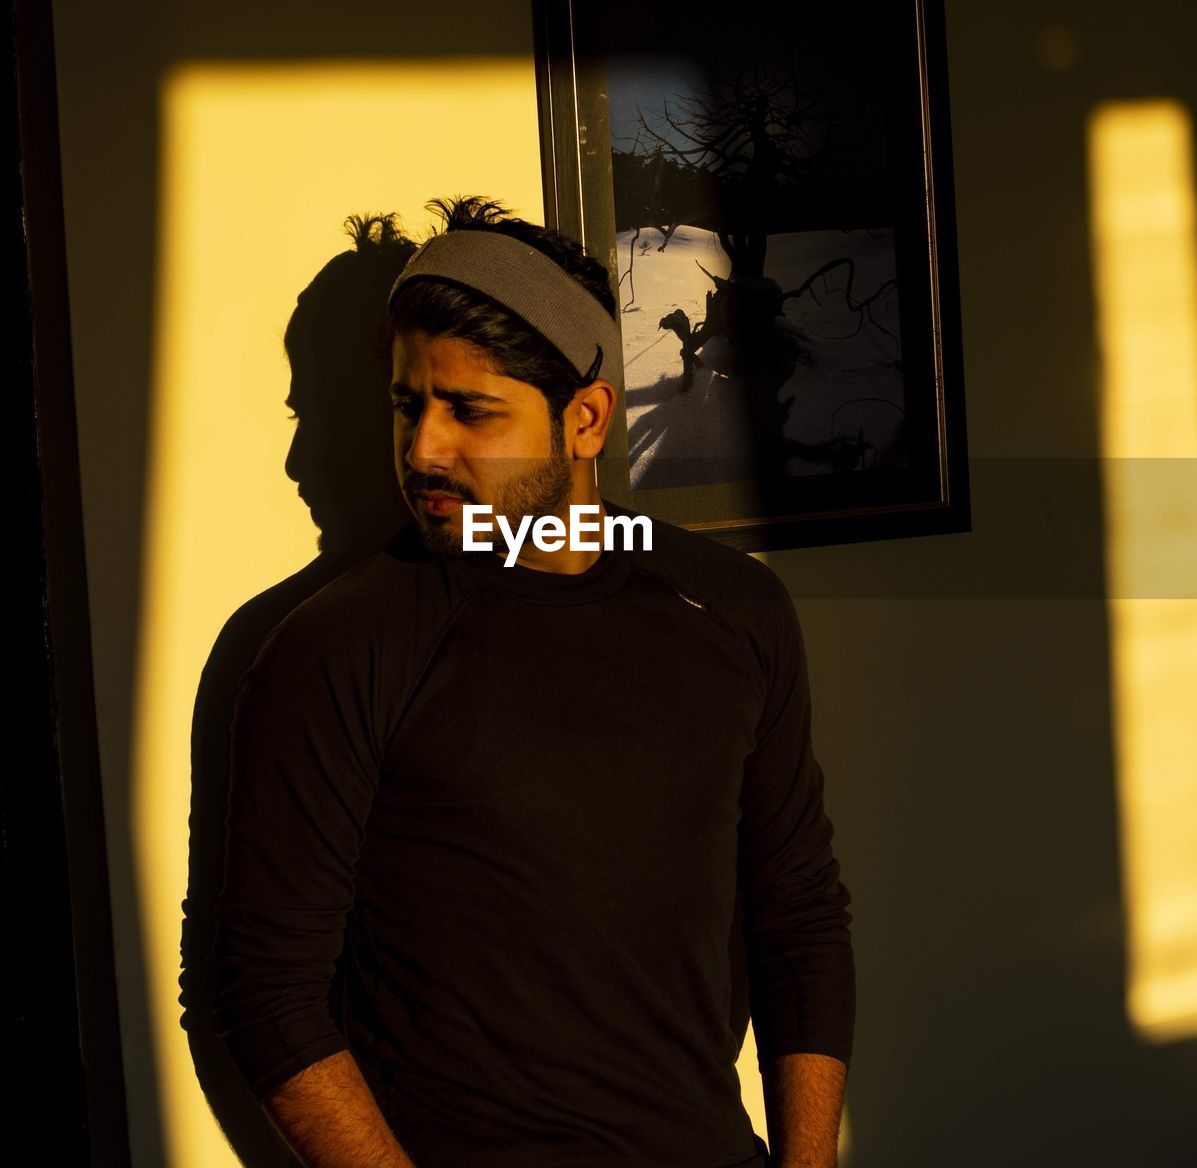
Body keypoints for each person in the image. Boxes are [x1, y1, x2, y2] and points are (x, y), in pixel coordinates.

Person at [212, 195, 855, 1168]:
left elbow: (797, 912)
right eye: (405, 404)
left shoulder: (732, 608)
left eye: (469, 409)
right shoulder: (337, 646)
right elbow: (263, 986)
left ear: (586, 417)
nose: (423, 448)